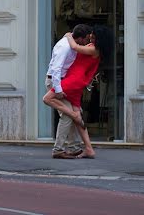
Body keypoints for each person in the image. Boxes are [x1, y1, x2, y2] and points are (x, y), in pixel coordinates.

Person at [43, 25, 113, 159]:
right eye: (90, 34)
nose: (91, 36)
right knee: (77, 114)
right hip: (75, 80)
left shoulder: (93, 49)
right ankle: (88, 148)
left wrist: (68, 35)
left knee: (48, 99)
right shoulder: (94, 47)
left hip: (73, 80)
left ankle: (61, 147)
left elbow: (75, 47)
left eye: (93, 35)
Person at [45, 24, 93, 159]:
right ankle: (58, 149)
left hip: (64, 83)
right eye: (86, 39)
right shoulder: (64, 47)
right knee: (67, 114)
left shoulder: (71, 43)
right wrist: (58, 89)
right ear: (80, 38)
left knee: (74, 113)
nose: (87, 42)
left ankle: (74, 147)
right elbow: (56, 69)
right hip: (56, 82)